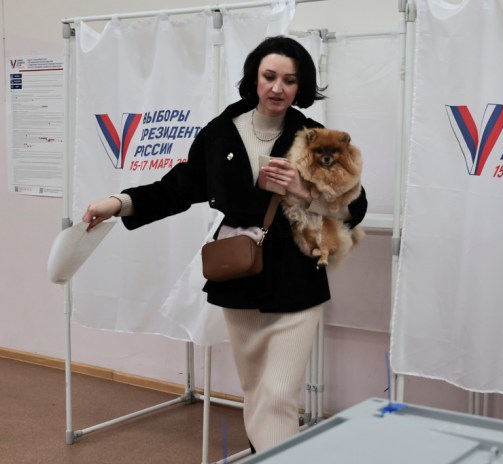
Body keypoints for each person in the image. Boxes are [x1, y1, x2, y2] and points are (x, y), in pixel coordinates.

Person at [82, 36, 368, 453]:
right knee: (256, 390)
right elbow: (179, 188)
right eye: (269, 76)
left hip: (297, 278)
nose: (277, 88)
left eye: (289, 80)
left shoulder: (315, 137)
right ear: (254, 78)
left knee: (279, 394)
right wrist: (119, 202)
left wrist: (305, 193)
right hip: (240, 272)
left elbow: (355, 208)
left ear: (299, 86)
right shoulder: (220, 133)